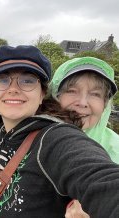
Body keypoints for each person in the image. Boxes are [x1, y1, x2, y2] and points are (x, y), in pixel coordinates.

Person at [0, 45, 119, 217]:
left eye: (27, 80)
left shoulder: (55, 138)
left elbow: (103, 182)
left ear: (43, 93)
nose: (13, 89)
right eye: (2, 80)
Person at [49, 57, 119, 218]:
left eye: (95, 94)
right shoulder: (33, 138)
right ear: (55, 96)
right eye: (72, 91)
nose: (82, 102)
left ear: (105, 103)